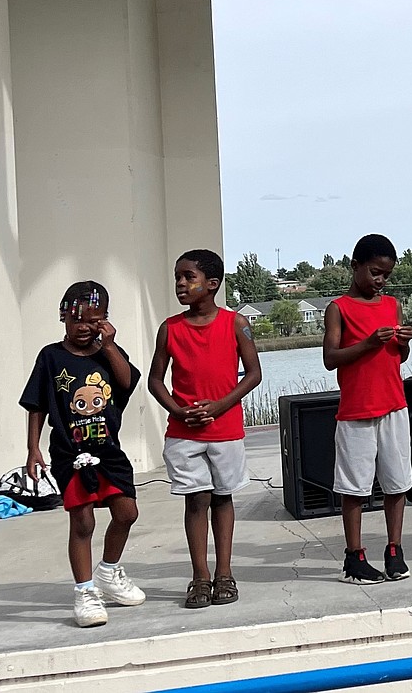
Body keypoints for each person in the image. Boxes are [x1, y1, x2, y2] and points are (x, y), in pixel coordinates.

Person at [21, 281, 145, 627]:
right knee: (84, 521)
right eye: (77, 321)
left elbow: (126, 382)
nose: (85, 328)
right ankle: (85, 592)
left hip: (108, 452)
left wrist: (109, 345)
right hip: (69, 453)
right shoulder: (50, 357)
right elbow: (36, 405)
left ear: (105, 320)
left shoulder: (108, 353)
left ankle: (108, 571)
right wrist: (33, 448)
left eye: (95, 320)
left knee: (127, 512)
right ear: (63, 317)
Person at [148, 249, 262, 608]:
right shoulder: (170, 328)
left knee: (222, 496)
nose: (181, 283)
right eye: (177, 277)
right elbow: (155, 381)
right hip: (184, 434)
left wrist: (220, 406)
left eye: (189, 277)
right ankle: (199, 576)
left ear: (212, 284)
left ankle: (224, 573)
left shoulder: (235, 324)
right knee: (196, 500)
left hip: (225, 430)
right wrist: (179, 412)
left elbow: (254, 374)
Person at [322, 234, 412, 583]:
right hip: (356, 410)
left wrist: (403, 344)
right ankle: (354, 556)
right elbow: (330, 359)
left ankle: (395, 549)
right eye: (375, 272)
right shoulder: (339, 308)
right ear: (355, 266)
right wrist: (366, 343)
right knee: (355, 488)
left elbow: (398, 357)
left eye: (386, 275)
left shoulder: (391, 305)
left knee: (397, 483)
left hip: (394, 405)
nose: (380, 281)